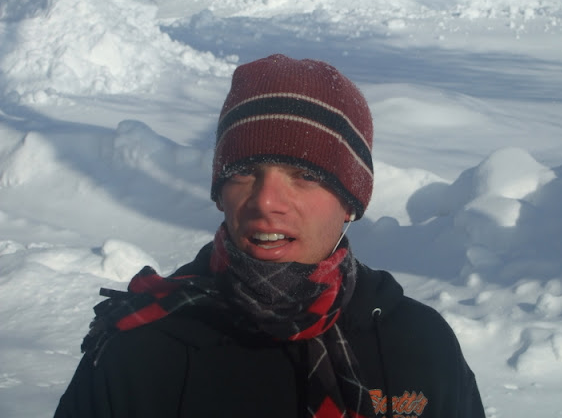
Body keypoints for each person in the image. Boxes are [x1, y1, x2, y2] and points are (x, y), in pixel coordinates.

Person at [54, 54, 485, 418]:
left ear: (350, 201)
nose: (265, 201)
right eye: (244, 172)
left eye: (305, 175)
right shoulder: (143, 348)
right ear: (220, 193)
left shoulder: (416, 346)